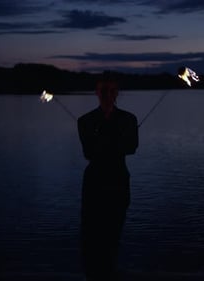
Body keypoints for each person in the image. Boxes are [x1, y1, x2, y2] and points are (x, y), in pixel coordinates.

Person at [77, 77, 139, 280]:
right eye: (104, 91)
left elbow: (132, 147)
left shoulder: (129, 119)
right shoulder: (84, 121)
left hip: (119, 180)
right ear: (97, 92)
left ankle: (109, 271)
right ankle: (93, 274)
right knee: (92, 231)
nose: (108, 95)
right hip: (94, 182)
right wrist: (113, 143)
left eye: (112, 91)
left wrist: (105, 143)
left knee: (114, 230)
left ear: (117, 93)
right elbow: (89, 152)